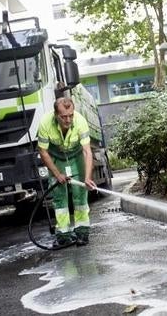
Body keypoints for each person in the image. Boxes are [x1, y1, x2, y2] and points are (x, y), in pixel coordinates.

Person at [37, 98, 97, 247]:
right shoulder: (45, 123)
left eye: (70, 115)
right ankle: (63, 235)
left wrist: (88, 178)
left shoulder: (80, 121)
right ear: (56, 114)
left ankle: (82, 233)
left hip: (76, 158)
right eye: (64, 116)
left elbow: (87, 151)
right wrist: (57, 174)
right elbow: (43, 152)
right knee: (60, 199)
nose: (68, 119)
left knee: (80, 197)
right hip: (56, 159)